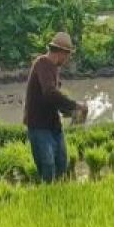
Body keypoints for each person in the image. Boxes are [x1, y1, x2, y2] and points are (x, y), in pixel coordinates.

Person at [23, 32, 88, 183]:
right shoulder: (42, 63)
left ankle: (58, 197)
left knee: (61, 164)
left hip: (53, 125)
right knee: (48, 166)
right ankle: (48, 199)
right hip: (39, 126)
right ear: (61, 53)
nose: (68, 59)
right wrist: (75, 105)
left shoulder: (54, 69)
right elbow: (50, 93)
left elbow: (54, 100)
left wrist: (71, 112)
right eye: (68, 55)